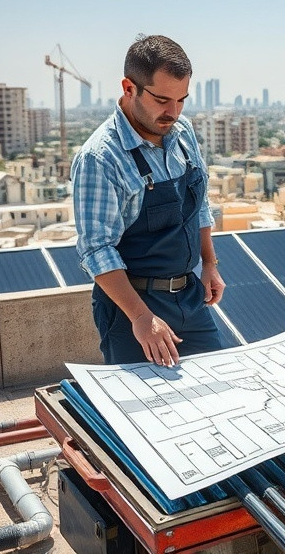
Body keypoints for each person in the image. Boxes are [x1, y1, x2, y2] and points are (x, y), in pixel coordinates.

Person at [72, 34, 224, 367]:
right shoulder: (100, 158)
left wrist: (209, 263)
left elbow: (199, 203)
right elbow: (96, 249)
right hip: (133, 311)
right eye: (162, 100)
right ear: (129, 88)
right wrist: (141, 318)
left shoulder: (183, 133)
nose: (174, 112)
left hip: (190, 299)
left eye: (182, 99)